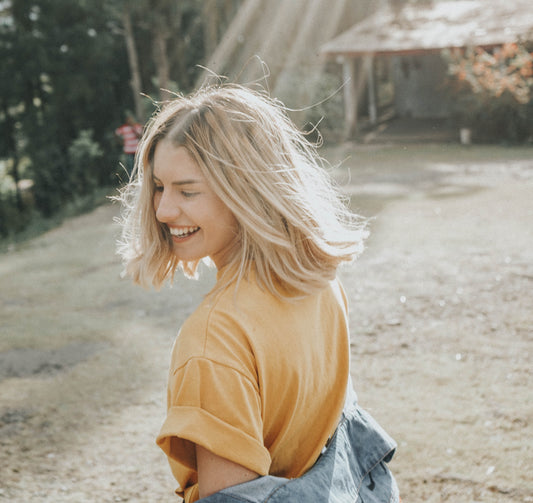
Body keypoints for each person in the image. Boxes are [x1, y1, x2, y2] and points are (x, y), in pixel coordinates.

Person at [117, 84, 399, 502]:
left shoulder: (215, 340)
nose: (162, 210)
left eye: (187, 190)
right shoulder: (317, 280)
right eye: (159, 186)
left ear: (244, 190)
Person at [115, 112, 143, 177]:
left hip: (137, 150)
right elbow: (116, 134)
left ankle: (138, 179)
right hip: (128, 151)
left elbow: (139, 136)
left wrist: (133, 128)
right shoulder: (123, 128)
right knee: (130, 168)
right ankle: (131, 180)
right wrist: (121, 142)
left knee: (138, 166)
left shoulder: (137, 126)